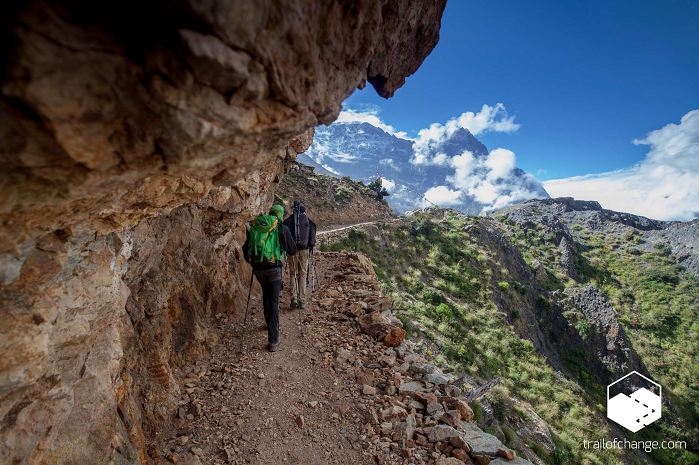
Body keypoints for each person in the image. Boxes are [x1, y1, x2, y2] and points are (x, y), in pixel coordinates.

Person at [243, 205, 296, 352]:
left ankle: (267, 321)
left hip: (259, 270)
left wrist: (254, 263)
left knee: (266, 293)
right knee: (274, 301)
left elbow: (245, 249)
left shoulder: (258, 227)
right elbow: (292, 250)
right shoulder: (281, 228)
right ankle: (273, 340)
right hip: (274, 269)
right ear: (280, 215)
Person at [283, 203, 316, 309]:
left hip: (292, 252)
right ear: (303, 212)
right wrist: (310, 247)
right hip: (304, 251)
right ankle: (302, 301)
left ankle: (294, 298)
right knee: (302, 275)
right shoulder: (307, 220)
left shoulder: (288, 220)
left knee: (293, 274)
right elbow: (312, 238)